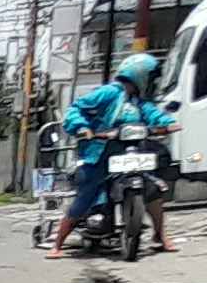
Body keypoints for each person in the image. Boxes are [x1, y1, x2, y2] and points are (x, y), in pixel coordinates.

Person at [46, 53, 178, 259]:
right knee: (85, 197)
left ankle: (160, 236)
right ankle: (58, 243)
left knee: (153, 189)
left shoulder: (138, 101)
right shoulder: (108, 93)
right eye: (150, 77)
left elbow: (153, 114)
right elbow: (75, 109)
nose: (153, 82)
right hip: (100, 153)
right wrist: (82, 128)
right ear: (140, 75)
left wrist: (167, 123)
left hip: (131, 152)